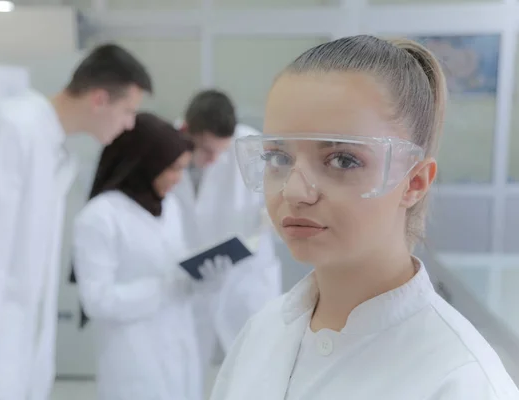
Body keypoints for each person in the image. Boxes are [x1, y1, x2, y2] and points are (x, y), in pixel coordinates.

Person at [210, 35, 519, 400]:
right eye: (278, 157)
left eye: (343, 160)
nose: (294, 192)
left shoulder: (463, 382)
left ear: (414, 182)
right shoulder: (262, 332)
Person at [0, 44, 152, 400]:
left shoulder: (49, 145)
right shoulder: (8, 130)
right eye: (128, 111)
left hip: (12, 357)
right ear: (100, 99)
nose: (130, 124)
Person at [72, 113, 212, 400]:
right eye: (172, 169)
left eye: (183, 169)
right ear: (144, 164)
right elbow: (96, 300)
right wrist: (164, 288)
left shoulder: (168, 206)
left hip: (178, 347)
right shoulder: (100, 217)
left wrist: (201, 275)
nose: (178, 180)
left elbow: (175, 262)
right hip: (133, 357)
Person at [173, 90, 283, 368]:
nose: (214, 159)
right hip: (192, 279)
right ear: (187, 130)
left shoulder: (250, 146)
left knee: (255, 364)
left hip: (246, 279)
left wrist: (272, 215)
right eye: (207, 150)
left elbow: (276, 194)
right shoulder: (167, 145)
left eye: (220, 150)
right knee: (186, 365)